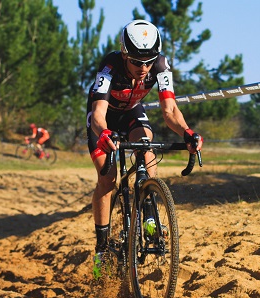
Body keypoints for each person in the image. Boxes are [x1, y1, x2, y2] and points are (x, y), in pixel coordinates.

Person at [86, 20, 203, 278]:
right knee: (108, 180)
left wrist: (187, 132)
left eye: (149, 61)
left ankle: (149, 214)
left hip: (131, 113)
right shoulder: (110, 65)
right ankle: (102, 249)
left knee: (147, 149)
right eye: (137, 62)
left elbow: (170, 111)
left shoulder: (159, 66)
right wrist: (105, 134)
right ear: (125, 55)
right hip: (103, 120)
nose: (144, 68)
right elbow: (98, 114)